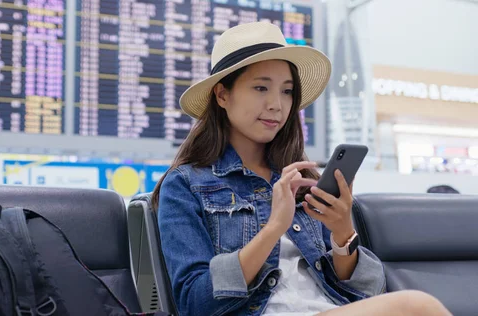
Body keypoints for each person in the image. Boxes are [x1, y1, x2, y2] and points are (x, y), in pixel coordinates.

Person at [151, 21, 452, 316]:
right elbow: (194, 303)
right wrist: (272, 229)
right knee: (418, 307)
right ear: (222, 95)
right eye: (260, 88)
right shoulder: (185, 185)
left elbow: (369, 292)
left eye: (286, 91)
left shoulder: (303, 181)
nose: (277, 105)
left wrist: (342, 232)